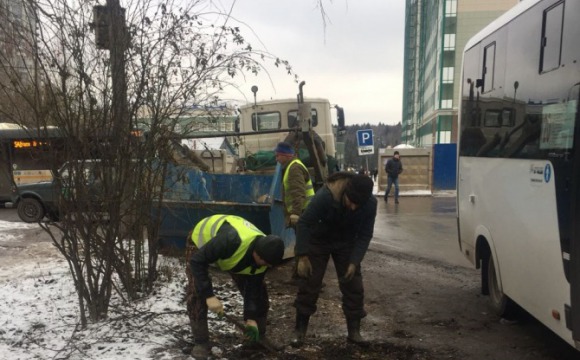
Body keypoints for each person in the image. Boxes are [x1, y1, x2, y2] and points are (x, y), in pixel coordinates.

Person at [291, 172, 377, 347]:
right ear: (345, 192)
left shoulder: (369, 204)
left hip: (346, 242)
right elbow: (304, 223)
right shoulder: (325, 196)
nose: (353, 207)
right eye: (350, 202)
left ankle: (354, 332)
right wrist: (302, 255)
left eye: (357, 205)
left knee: (353, 285)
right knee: (309, 283)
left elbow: (365, 234)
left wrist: (354, 261)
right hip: (319, 240)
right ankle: (299, 331)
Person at [186, 214, 285, 359]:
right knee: (198, 291)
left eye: (268, 265)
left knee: (261, 293)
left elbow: (253, 289)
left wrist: (250, 317)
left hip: (233, 256)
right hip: (200, 244)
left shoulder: (266, 256)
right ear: (257, 253)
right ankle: (201, 342)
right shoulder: (231, 240)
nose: (265, 266)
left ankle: (258, 337)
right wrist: (209, 296)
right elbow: (197, 262)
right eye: (264, 263)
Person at [274, 142, 315, 228]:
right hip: (305, 212)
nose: (276, 159)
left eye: (278, 156)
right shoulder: (292, 166)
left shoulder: (294, 168)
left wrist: (296, 213)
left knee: (304, 241)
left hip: (304, 214)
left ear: (287, 155)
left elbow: (298, 191)